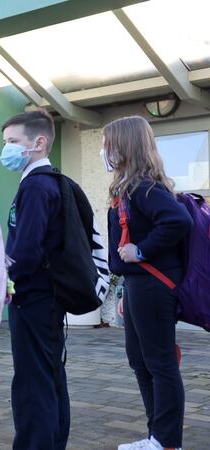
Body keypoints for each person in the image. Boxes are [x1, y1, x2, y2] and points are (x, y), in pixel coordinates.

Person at [103, 116, 192, 450]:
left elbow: (177, 221)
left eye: (108, 142)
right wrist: (127, 286)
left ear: (124, 146)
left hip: (154, 286)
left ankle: (167, 441)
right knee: (140, 360)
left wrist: (140, 251)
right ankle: (158, 436)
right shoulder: (131, 186)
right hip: (139, 286)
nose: (104, 149)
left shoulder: (144, 187)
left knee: (159, 363)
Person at [1, 110, 69, 450]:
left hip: (32, 297)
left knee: (32, 381)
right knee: (50, 375)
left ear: (38, 143)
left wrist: (3, 279)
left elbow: (25, 250)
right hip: (47, 296)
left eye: (13, 142)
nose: (7, 149)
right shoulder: (50, 181)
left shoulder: (36, 186)